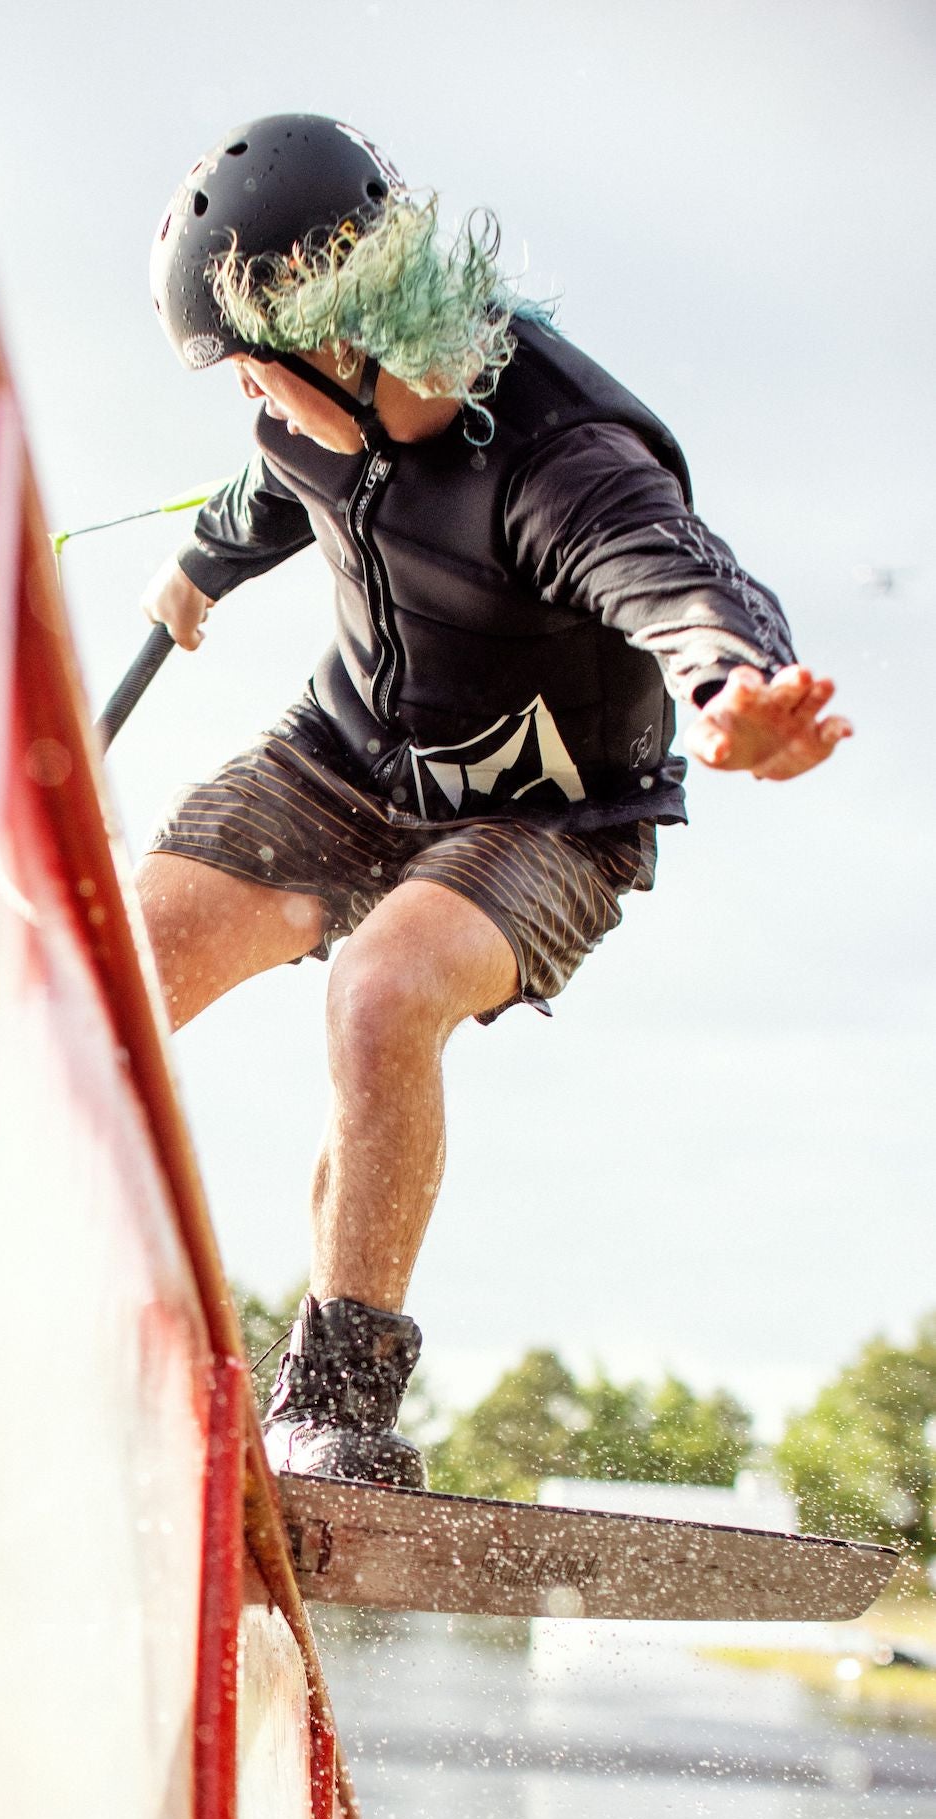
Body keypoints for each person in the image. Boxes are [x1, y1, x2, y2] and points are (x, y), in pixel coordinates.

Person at [138, 114, 850, 1491]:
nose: (249, 403)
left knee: (386, 992)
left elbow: (677, 576)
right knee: (119, 957)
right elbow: (275, 486)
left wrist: (733, 690)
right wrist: (195, 576)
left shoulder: (557, 458)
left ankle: (333, 1409)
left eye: (250, 374)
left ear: (336, 339)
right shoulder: (314, 414)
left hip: (551, 812)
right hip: (350, 760)